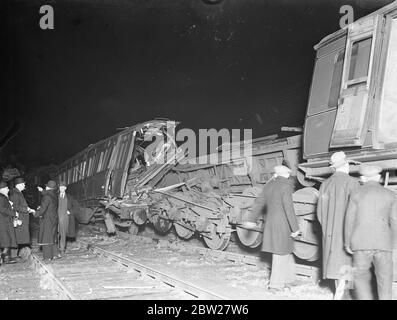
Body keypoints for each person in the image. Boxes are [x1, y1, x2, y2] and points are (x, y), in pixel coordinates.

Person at [345, 165, 397, 300]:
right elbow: (395, 221)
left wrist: (347, 242)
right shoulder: (390, 194)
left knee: (361, 279)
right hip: (384, 244)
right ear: (379, 177)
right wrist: (394, 244)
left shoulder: (356, 193)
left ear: (362, 178)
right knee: (385, 281)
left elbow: (349, 219)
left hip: (361, 244)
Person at [251, 164, 301, 291]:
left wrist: (251, 219)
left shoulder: (269, 185)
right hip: (283, 224)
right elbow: (288, 208)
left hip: (271, 223)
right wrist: (295, 228)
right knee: (280, 253)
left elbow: (259, 202)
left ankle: (289, 278)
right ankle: (275, 285)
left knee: (287, 250)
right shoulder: (286, 185)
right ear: (286, 174)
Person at [316, 151, 359, 298]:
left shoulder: (325, 185)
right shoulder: (353, 183)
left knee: (335, 266)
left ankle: (341, 294)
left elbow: (320, 214)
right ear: (346, 165)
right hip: (348, 235)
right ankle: (343, 296)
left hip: (330, 233)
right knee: (347, 266)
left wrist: (329, 228)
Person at [34, 180, 61, 261]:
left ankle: (47, 257)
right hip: (54, 218)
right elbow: (47, 195)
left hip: (47, 219)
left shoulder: (47, 197)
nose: (45, 187)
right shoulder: (55, 195)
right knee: (52, 236)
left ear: (48, 187)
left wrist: (35, 213)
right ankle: (56, 254)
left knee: (46, 238)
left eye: (46, 186)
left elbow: (43, 208)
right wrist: (42, 191)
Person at [9, 177, 35, 259]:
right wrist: (26, 209)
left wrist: (29, 210)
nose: (24, 185)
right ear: (19, 185)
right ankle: (13, 255)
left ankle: (16, 255)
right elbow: (14, 206)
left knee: (19, 237)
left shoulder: (18, 193)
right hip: (19, 219)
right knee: (16, 237)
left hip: (22, 218)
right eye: (23, 184)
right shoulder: (15, 194)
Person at [0, 181, 18, 264]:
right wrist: (13, 213)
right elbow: (2, 209)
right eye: (6, 188)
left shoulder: (3, 197)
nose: (8, 189)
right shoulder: (2, 197)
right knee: (6, 240)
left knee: (6, 240)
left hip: (4, 221)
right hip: (3, 222)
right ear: (2, 189)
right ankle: (4, 256)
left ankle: (6, 257)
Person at [57, 182, 78, 254]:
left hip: (65, 218)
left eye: (63, 187)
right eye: (60, 187)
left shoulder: (69, 197)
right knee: (56, 233)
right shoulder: (55, 197)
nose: (61, 189)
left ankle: (62, 248)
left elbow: (75, 206)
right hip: (57, 218)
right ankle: (54, 248)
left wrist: (70, 212)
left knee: (63, 233)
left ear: (65, 188)